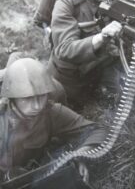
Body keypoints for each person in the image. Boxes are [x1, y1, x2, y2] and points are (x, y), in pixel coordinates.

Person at [0, 58, 106, 188]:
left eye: (41, 96)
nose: (37, 106)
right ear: (12, 97)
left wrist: (80, 155)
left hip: (32, 177)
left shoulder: (51, 112)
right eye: (27, 99)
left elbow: (97, 130)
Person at [47, 0, 125, 106]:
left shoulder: (119, 3)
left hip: (99, 77)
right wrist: (101, 37)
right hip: (68, 83)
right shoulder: (66, 4)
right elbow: (64, 49)